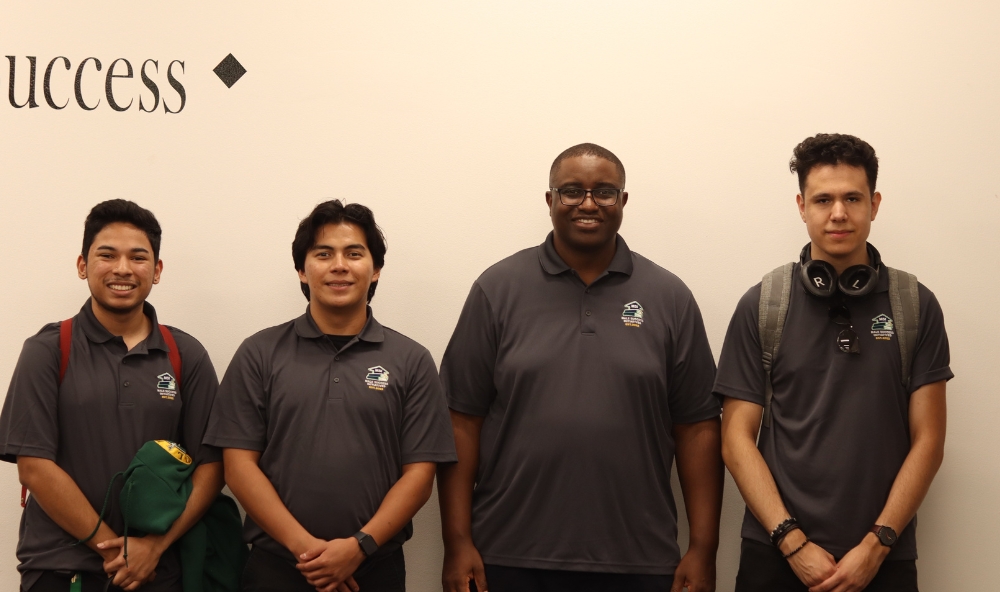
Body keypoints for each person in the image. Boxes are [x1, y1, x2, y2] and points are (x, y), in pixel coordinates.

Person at [437, 143, 724, 592]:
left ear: (623, 202)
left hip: (639, 560)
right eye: (571, 191)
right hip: (508, 556)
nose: (588, 203)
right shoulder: (497, 290)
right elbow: (460, 422)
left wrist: (704, 549)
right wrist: (456, 543)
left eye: (604, 192)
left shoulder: (670, 297)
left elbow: (698, 429)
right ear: (549, 200)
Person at [716, 133, 952, 592]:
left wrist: (878, 544)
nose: (838, 213)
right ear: (802, 206)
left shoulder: (914, 305)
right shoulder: (764, 304)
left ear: (875, 204)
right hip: (775, 556)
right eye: (823, 199)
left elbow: (929, 440)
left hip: (884, 557)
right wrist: (793, 543)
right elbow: (735, 440)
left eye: (852, 198)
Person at [205, 200, 456, 592]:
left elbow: (421, 474)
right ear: (303, 271)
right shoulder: (259, 353)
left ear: (375, 271)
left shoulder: (411, 359)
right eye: (324, 254)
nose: (339, 265)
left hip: (374, 569)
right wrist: (310, 554)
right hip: (277, 568)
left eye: (354, 253)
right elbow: (238, 467)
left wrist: (358, 547)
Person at [0, 199, 225, 591]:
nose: (122, 269)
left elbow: (212, 465)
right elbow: (33, 465)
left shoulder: (186, 354)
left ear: (156, 271)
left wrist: (153, 547)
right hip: (59, 568)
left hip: (158, 570)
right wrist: (115, 550)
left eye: (138, 257)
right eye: (107, 255)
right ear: (82, 265)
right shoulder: (48, 349)